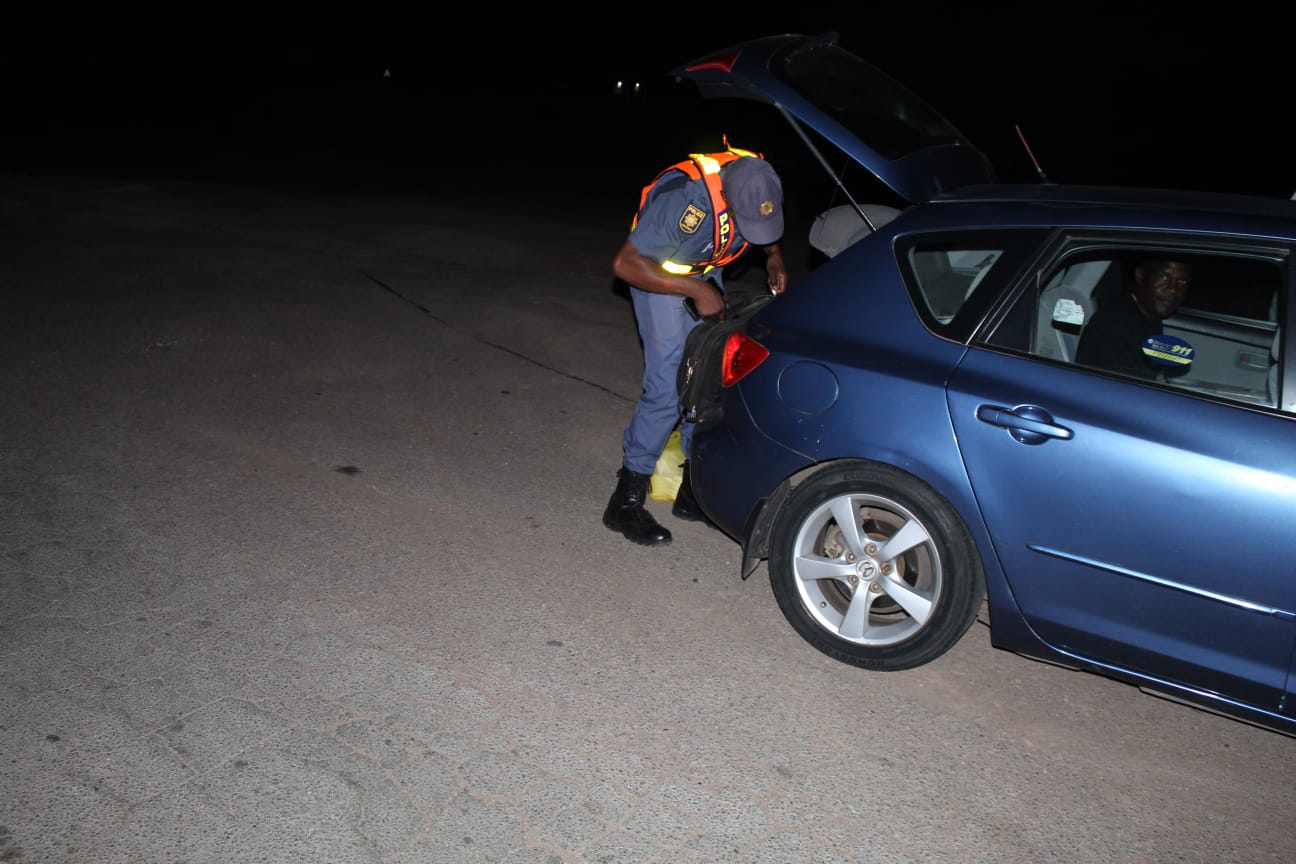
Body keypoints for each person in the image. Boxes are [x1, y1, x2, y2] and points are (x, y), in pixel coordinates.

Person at [603, 144, 789, 546]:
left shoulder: (759, 183)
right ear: (728, 200)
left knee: (708, 377)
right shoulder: (686, 205)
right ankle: (625, 500)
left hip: (703, 271)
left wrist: (774, 257)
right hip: (658, 276)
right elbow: (625, 264)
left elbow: (765, 223)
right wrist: (693, 289)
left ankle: (693, 492)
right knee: (670, 386)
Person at [1075, 258, 1192, 380]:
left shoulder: (1149, 314)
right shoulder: (1114, 326)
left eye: (1182, 282)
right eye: (1163, 277)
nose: (1173, 289)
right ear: (1140, 276)